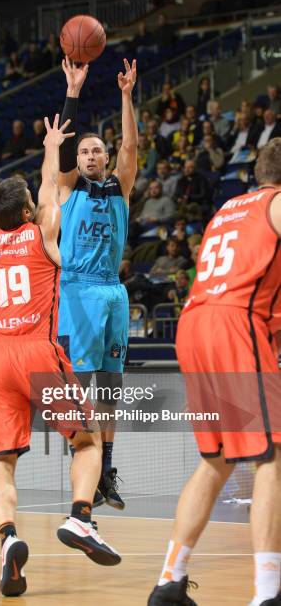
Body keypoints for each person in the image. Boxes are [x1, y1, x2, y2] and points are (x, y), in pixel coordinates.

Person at [0, 115, 121, 598]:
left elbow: (37, 192)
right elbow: (50, 186)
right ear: (26, 213)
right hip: (37, 349)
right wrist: (51, 146)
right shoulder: (42, 234)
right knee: (87, 442)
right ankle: (81, 518)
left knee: (0, 462)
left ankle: (8, 539)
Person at [147, 137, 281, 605]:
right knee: (272, 458)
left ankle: (169, 582)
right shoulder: (277, 203)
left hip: (194, 324)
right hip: (232, 322)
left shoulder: (227, 210)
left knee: (216, 460)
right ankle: (269, 591)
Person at [57, 56, 137, 510]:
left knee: (110, 387)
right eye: (85, 151)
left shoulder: (119, 187)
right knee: (79, 384)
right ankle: (82, 467)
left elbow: (131, 148)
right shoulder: (70, 187)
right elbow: (65, 146)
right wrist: (74, 91)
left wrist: (126, 95)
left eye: (95, 151)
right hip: (78, 290)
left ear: (104, 158)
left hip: (112, 290)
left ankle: (105, 468)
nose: (89, 155)